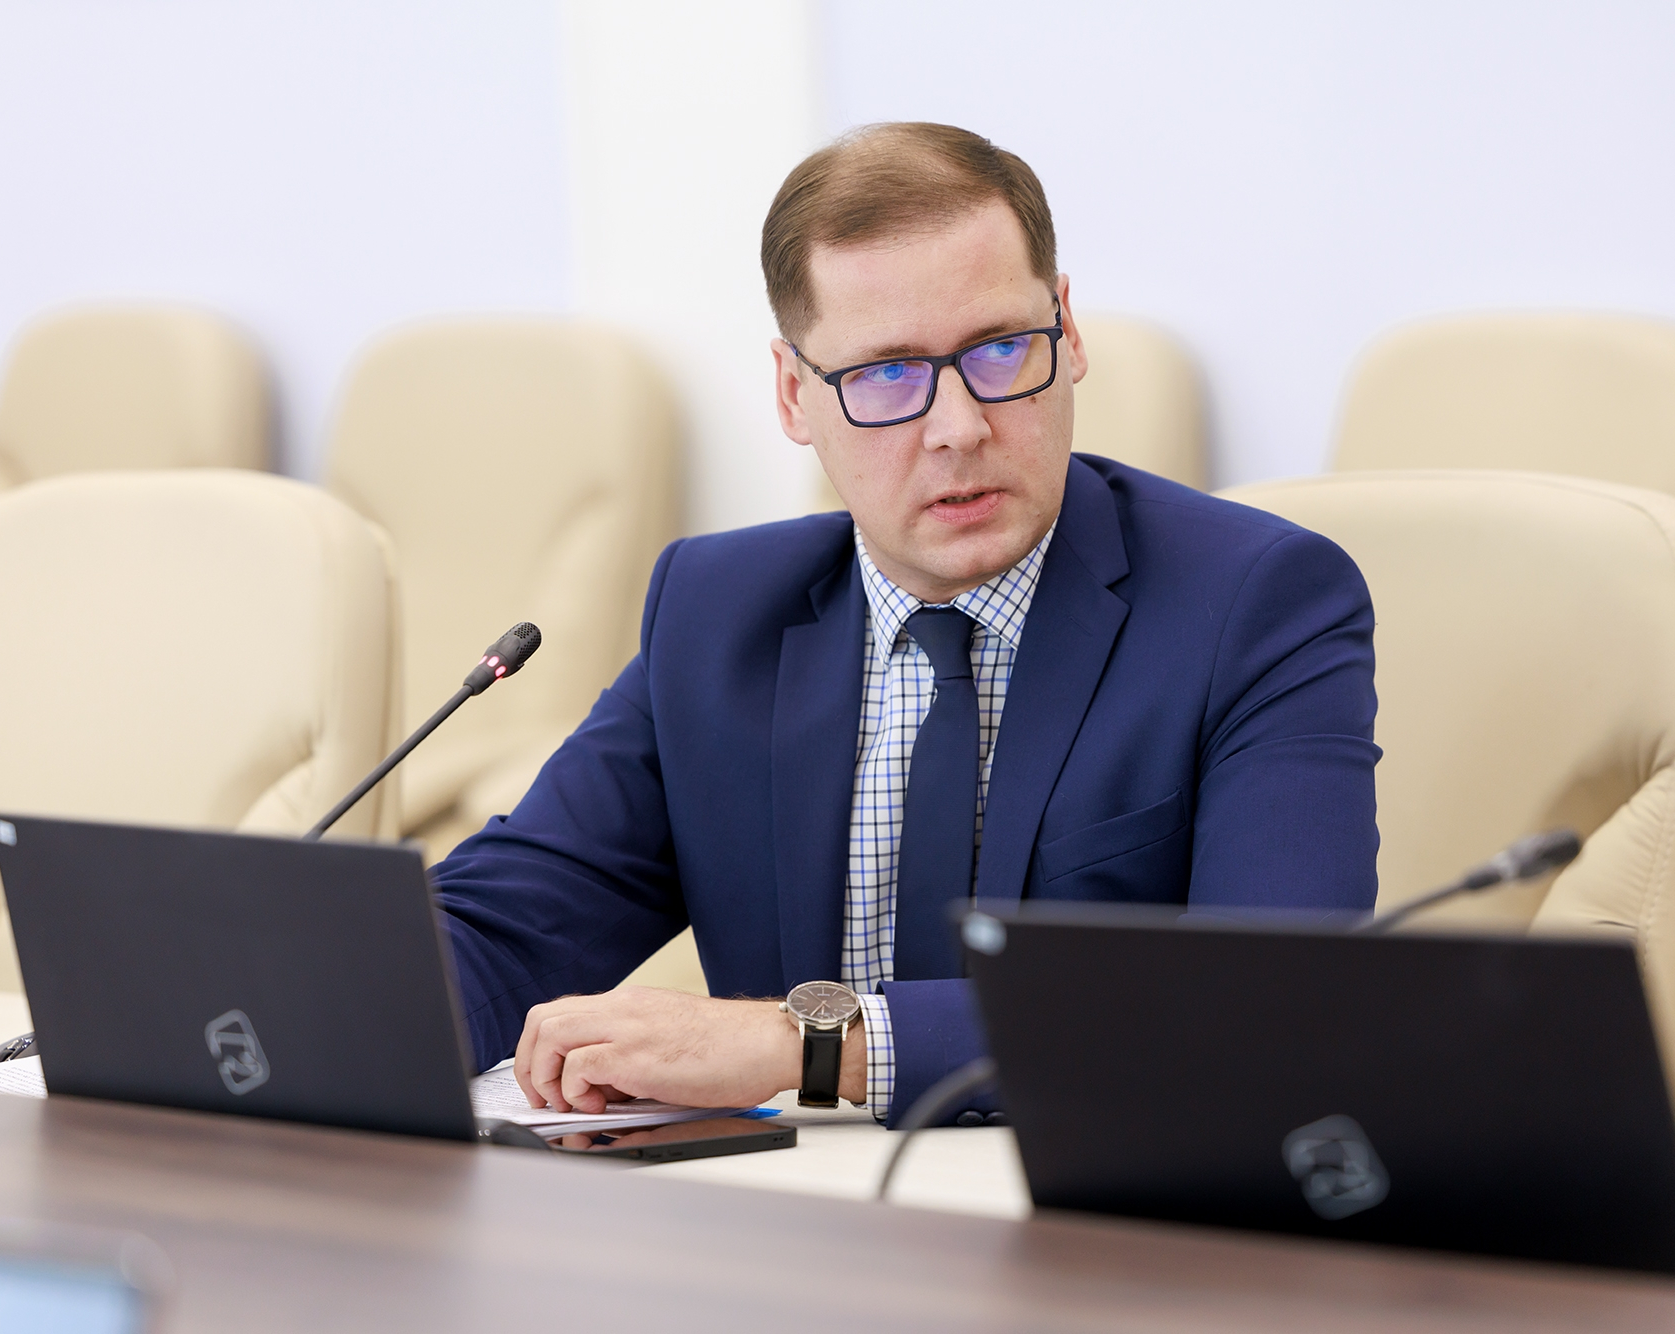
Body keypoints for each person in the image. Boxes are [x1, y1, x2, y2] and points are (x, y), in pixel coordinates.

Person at [433, 122, 1380, 1128]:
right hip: (784, 1206)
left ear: (1067, 331)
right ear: (795, 394)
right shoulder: (716, 613)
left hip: (1103, 1195)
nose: (959, 427)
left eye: (1001, 349)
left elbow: (1265, 995)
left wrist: (804, 1047)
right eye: (885, 374)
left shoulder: (1257, 605)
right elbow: (507, 924)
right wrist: (329, 1006)